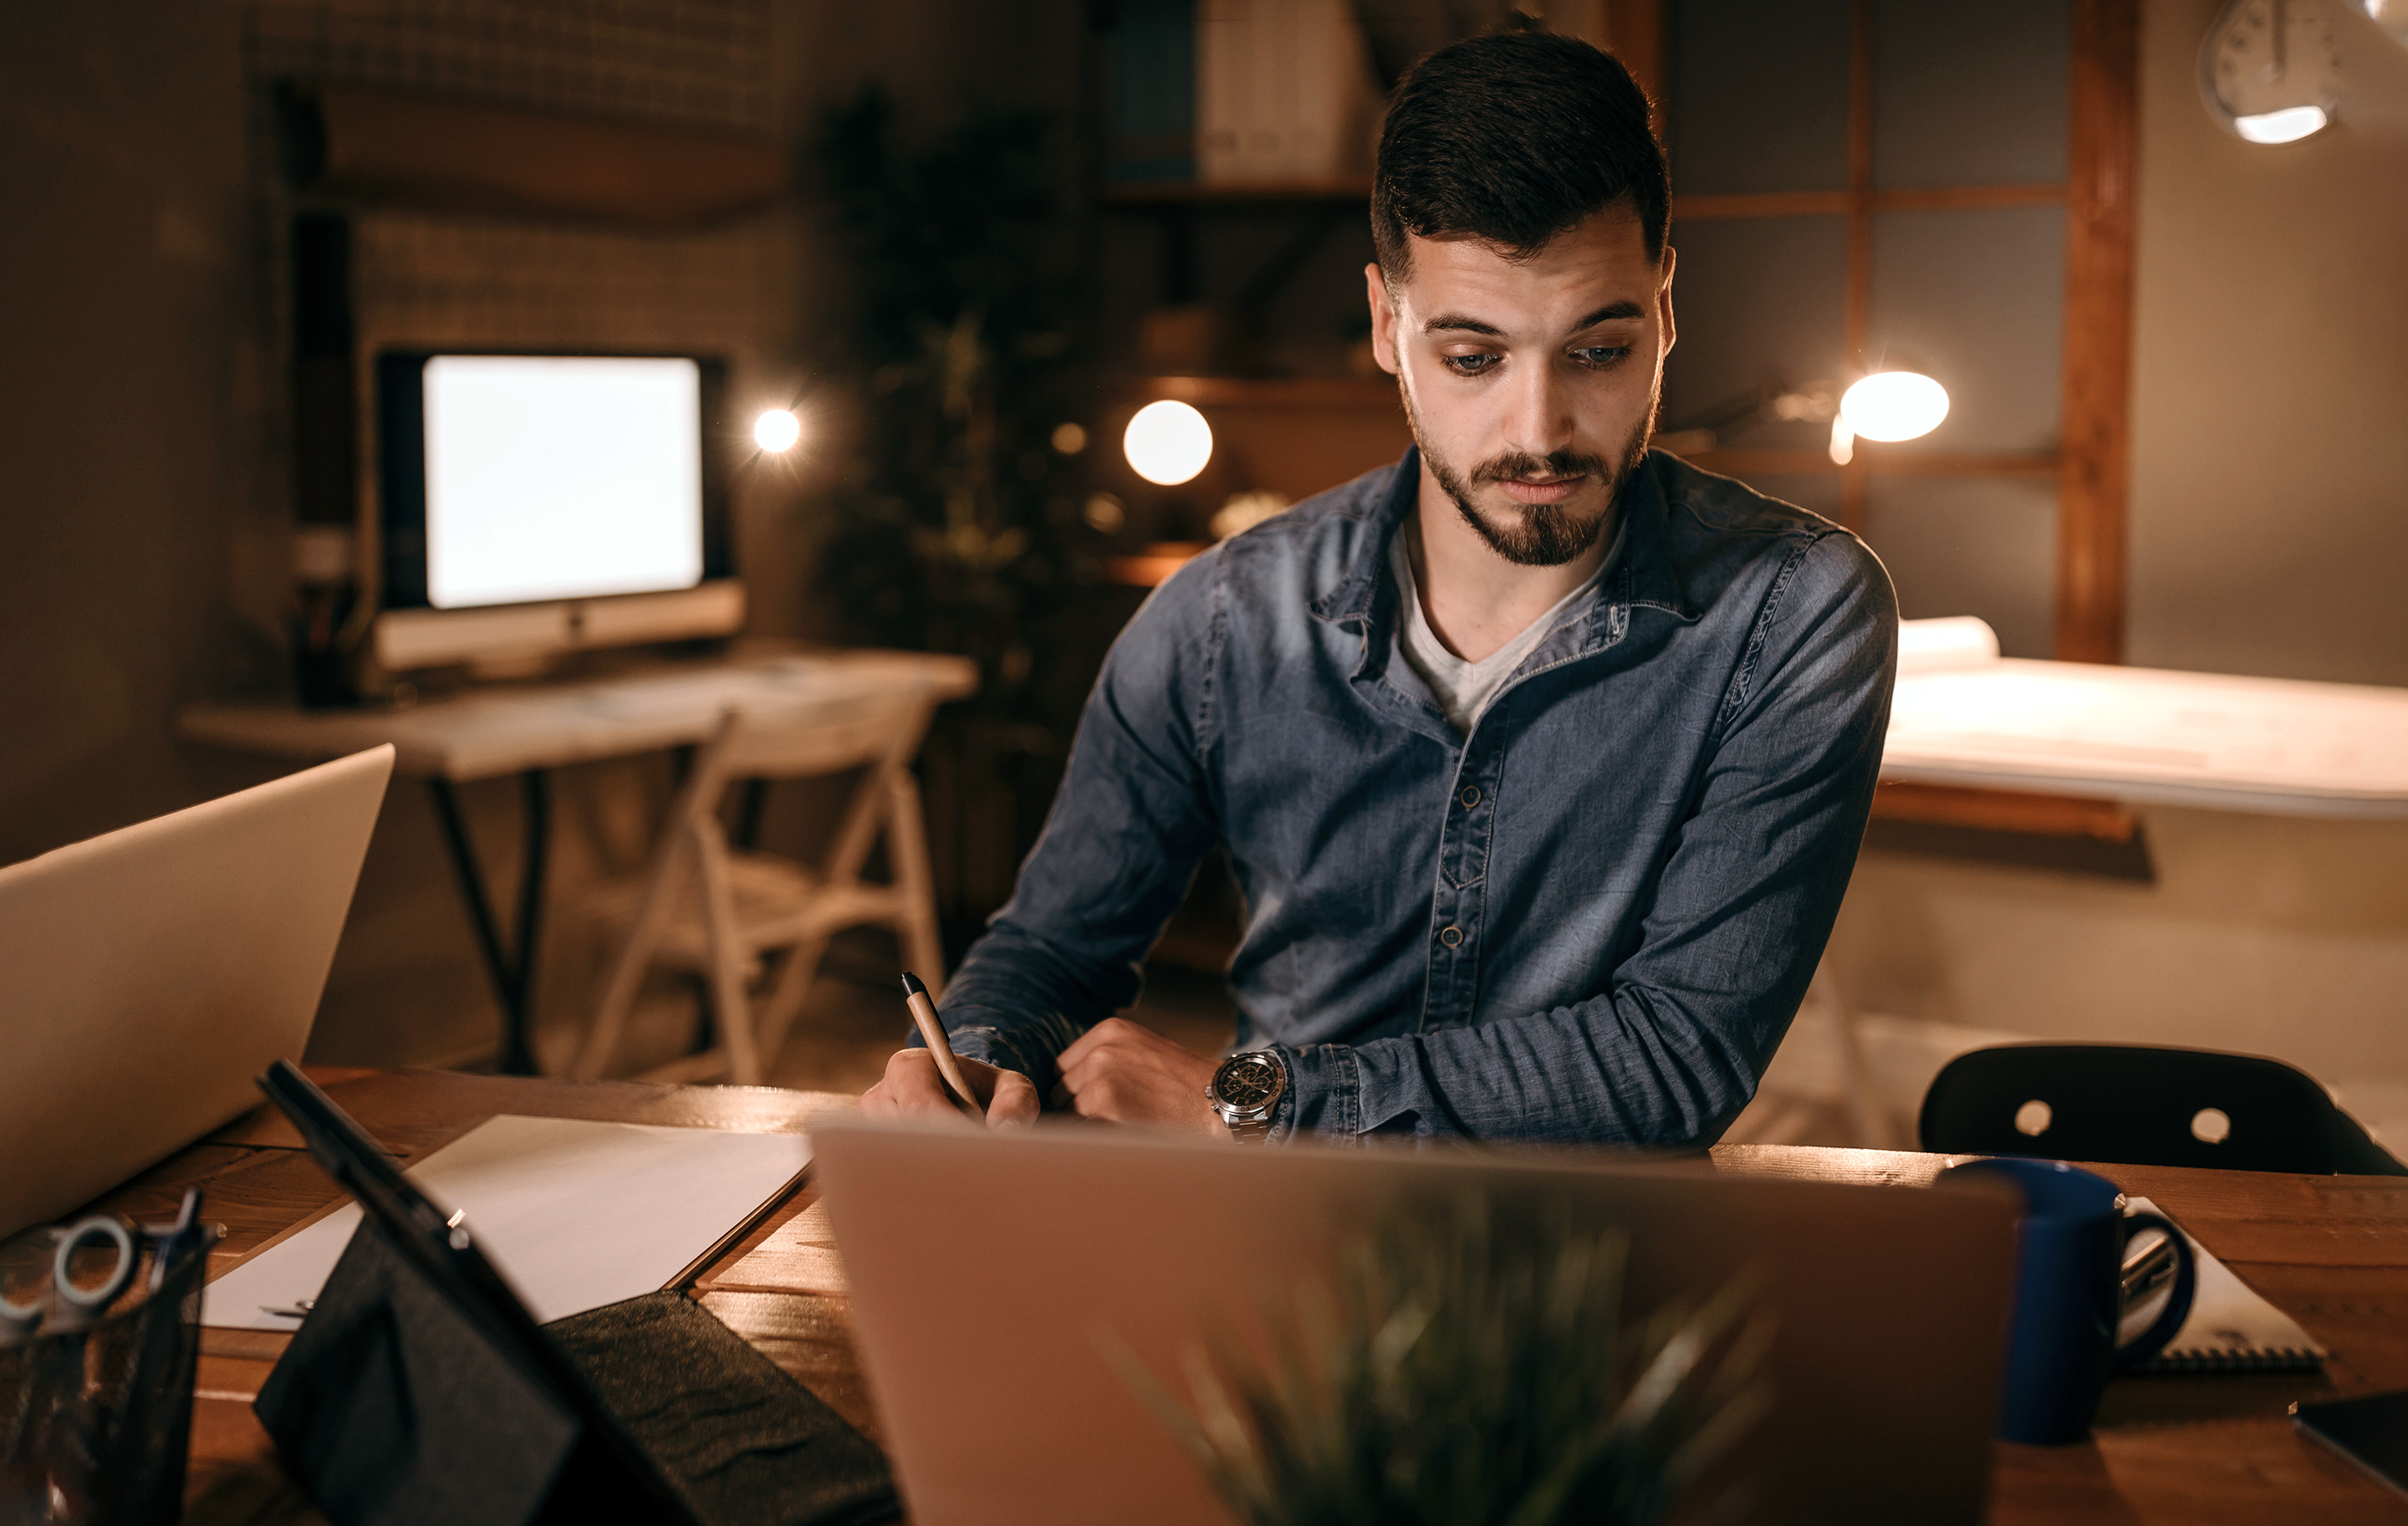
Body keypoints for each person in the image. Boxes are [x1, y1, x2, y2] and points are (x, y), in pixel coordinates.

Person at [861, 30, 1896, 1144]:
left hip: (1588, 1264)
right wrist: (978, 1054)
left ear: (1667, 306)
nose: (1540, 428)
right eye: (1472, 356)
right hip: (1269, 1247)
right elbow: (1051, 949)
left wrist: (1249, 1099)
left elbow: (1674, 1060)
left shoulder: (1793, 611)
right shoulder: (1221, 619)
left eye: (1597, 351)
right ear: (1385, 324)